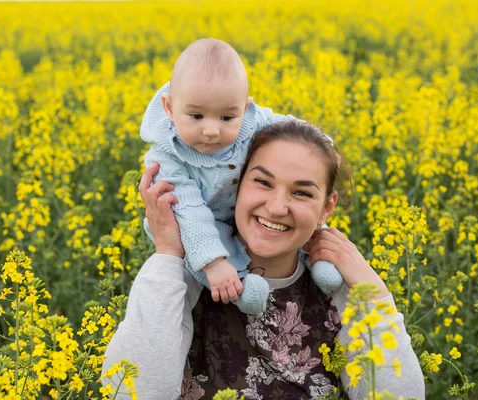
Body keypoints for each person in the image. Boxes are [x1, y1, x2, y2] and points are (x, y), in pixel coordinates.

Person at [103, 120, 425, 399]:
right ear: (236, 186)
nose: (276, 207)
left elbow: (400, 397)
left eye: (301, 193)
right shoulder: (190, 276)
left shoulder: (336, 287)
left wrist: (373, 289)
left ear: (327, 208)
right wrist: (169, 256)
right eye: (262, 182)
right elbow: (133, 392)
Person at [140, 38, 343, 315]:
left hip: (243, 213)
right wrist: (213, 263)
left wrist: (322, 144)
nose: (211, 131)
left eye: (226, 118)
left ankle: (318, 260)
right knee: (210, 255)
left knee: (296, 218)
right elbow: (188, 212)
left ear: (244, 109)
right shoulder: (167, 158)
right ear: (170, 108)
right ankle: (242, 290)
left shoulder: (251, 120)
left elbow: (284, 124)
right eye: (196, 116)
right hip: (198, 224)